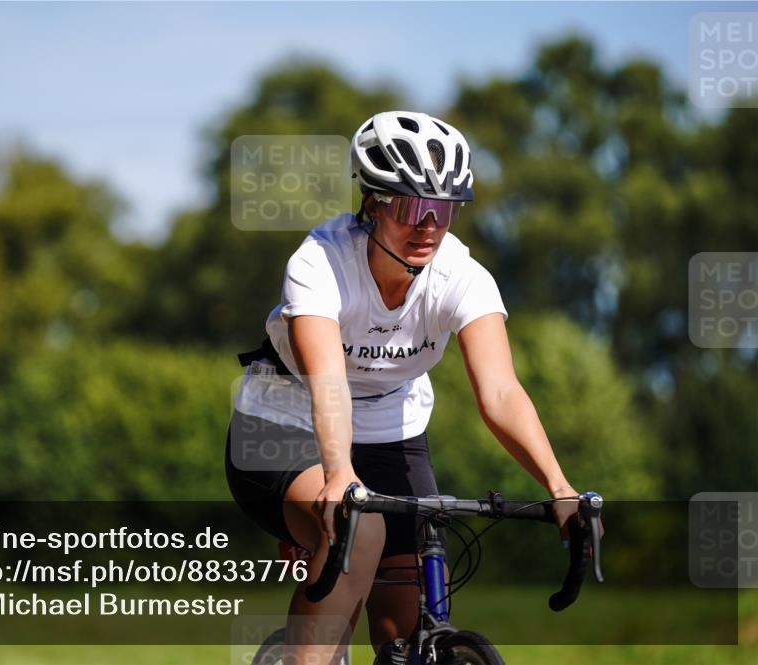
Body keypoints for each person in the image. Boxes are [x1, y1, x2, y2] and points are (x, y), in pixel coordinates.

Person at [225, 111, 594, 664]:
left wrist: (560, 486)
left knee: (405, 625)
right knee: (362, 530)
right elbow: (327, 381)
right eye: (409, 206)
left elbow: (500, 393)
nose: (427, 225)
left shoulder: (462, 277)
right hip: (285, 422)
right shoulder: (320, 262)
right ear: (373, 203)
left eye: (442, 210)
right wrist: (339, 472)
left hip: (393, 428)